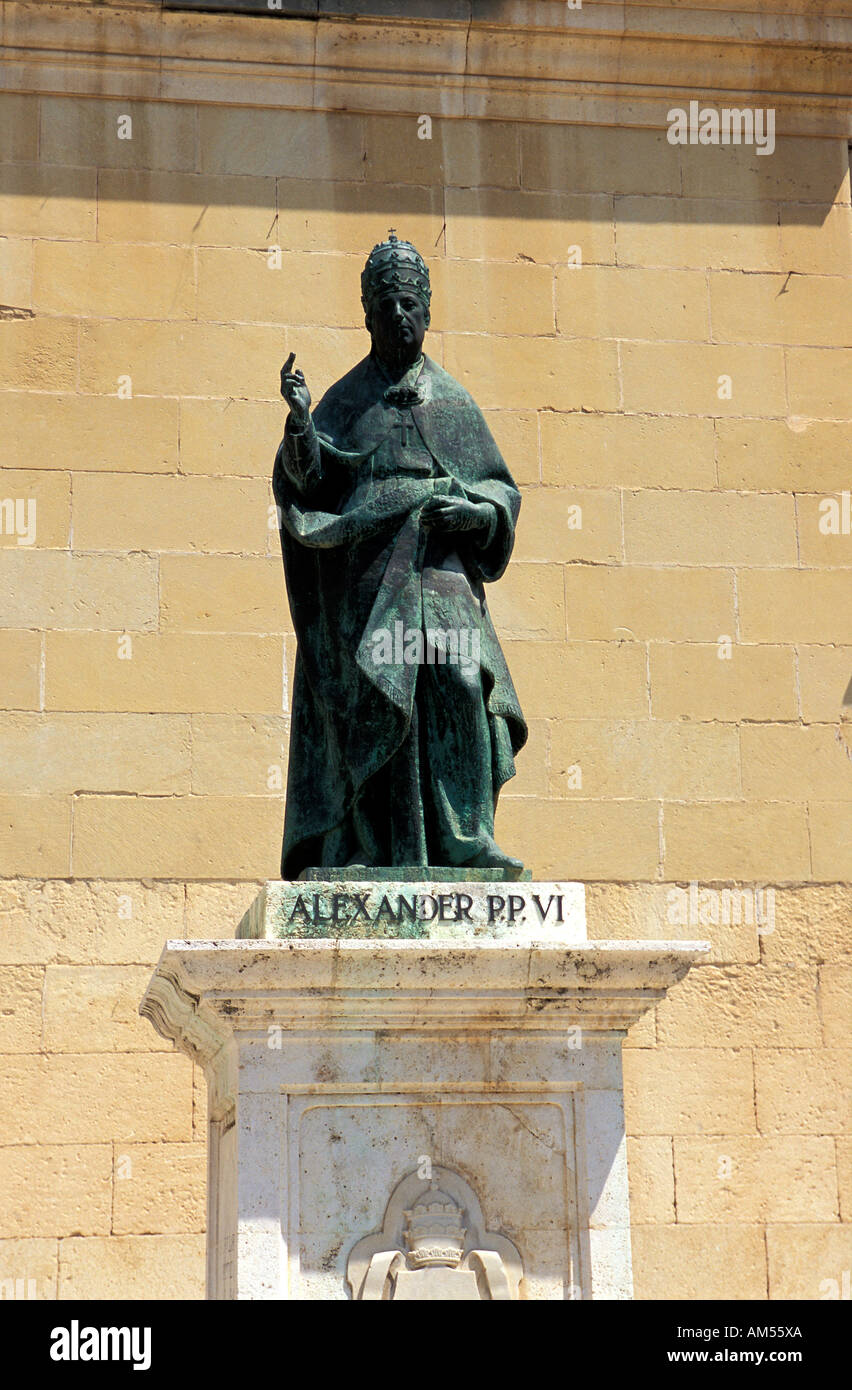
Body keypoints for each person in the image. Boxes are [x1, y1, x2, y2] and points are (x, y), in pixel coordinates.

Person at [273, 230, 527, 878]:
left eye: (410, 304)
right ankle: (369, 845)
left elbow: (498, 489)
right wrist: (302, 424)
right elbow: (309, 484)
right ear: (368, 314)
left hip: (439, 568)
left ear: (427, 310)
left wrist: (474, 514)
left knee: (463, 681)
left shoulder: (453, 399)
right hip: (366, 573)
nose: (399, 317)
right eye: (386, 307)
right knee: (371, 693)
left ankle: (466, 839)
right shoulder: (346, 399)